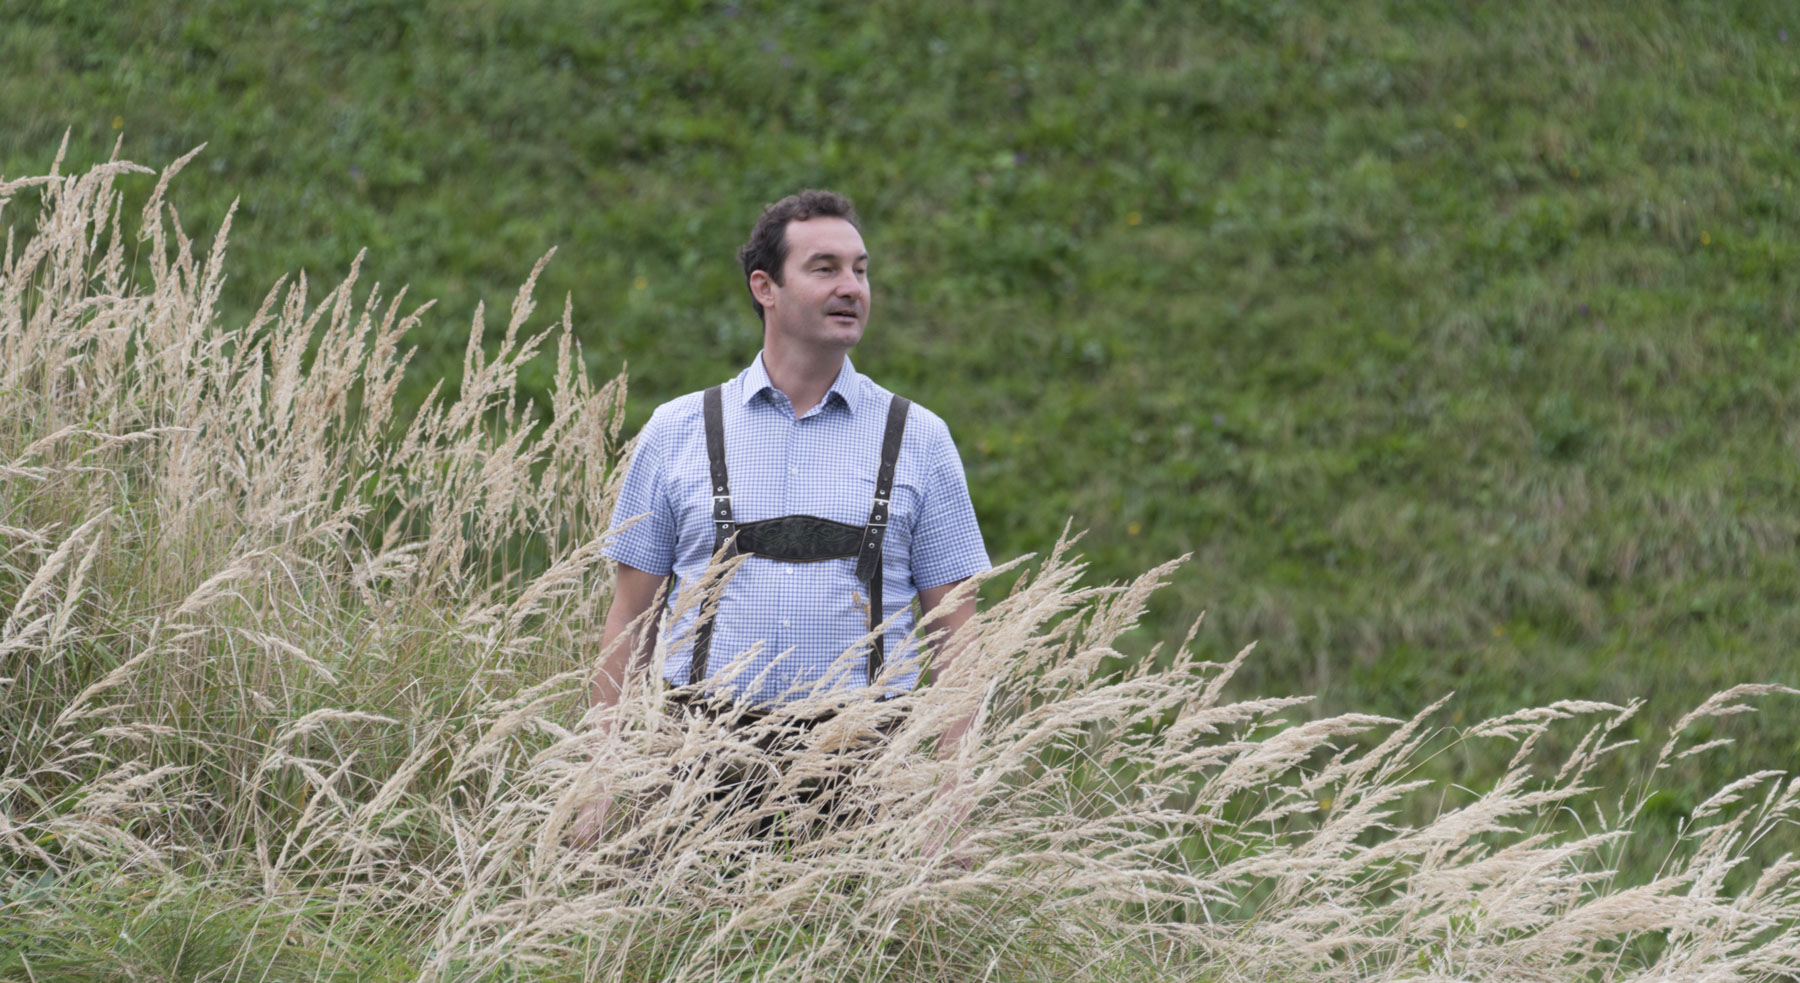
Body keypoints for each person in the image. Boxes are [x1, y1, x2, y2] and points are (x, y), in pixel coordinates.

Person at [576, 190, 989, 846]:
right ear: (764, 287)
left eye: (860, 270)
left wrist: (953, 797)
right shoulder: (678, 431)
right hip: (693, 777)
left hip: (866, 781)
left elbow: (958, 634)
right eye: (825, 268)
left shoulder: (919, 438)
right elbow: (630, 619)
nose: (851, 287)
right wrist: (598, 783)